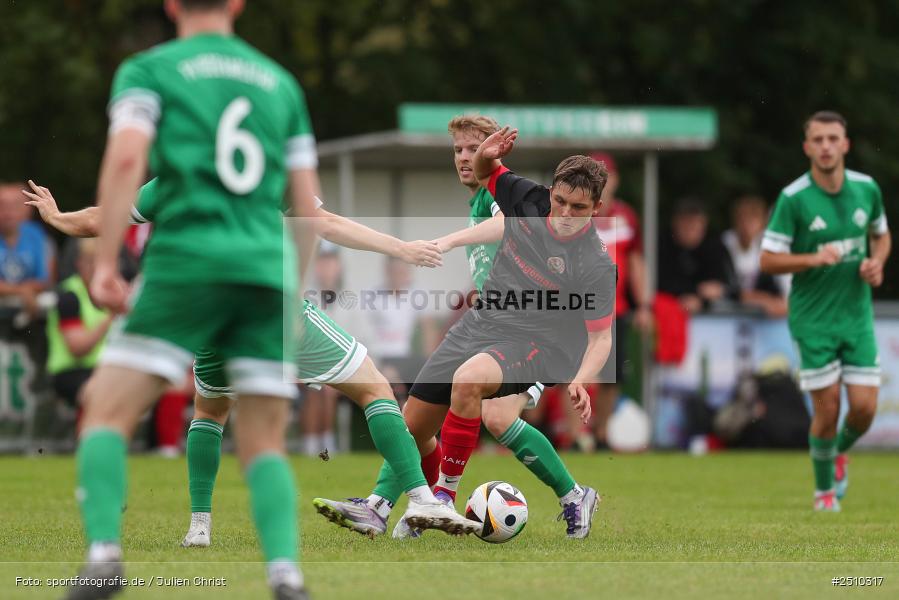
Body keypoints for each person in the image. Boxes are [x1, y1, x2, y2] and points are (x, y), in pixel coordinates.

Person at [61, 2, 475, 599]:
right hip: (262, 281)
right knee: (268, 436)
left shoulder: (149, 71)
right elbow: (311, 212)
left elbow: (125, 161)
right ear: (237, 4)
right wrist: (294, 291)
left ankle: (105, 555)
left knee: (108, 411)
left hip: (186, 272)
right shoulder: (279, 84)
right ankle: (287, 574)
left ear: (172, 5)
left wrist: (104, 265)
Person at [316, 127, 614, 540]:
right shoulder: (528, 197)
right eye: (558, 201)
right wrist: (486, 157)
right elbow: (489, 172)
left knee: (471, 383)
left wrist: (581, 378)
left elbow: (601, 338)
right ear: (550, 192)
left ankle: (442, 498)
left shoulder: (596, 264)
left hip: (539, 343)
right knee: (413, 422)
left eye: (577, 208)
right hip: (482, 322)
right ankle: (379, 508)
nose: (563, 214)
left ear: (597, 208)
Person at [760, 110, 890, 512]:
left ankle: (838, 452)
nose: (826, 146)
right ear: (807, 147)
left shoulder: (867, 189)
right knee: (829, 405)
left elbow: (881, 237)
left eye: (833, 138)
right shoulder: (794, 198)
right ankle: (824, 495)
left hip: (856, 316)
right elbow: (767, 260)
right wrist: (812, 259)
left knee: (866, 408)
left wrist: (877, 263)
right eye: (818, 140)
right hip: (813, 319)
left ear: (846, 144)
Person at [585, 152, 652, 450]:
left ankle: (601, 435)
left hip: (617, 309)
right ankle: (576, 437)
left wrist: (643, 306)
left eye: (606, 176)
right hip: (578, 308)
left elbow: (636, 262)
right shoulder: (575, 214)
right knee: (574, 374)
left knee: (613, 376)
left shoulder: (626, 217)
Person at [46, 239, 114, 413]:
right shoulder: (70, 296)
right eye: (90, 261)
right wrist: (111, 318)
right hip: (71, 371)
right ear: (79, 264)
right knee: (97, 391)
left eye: (100, 262)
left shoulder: (113, 293)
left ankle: (165, 441)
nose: (95, 267)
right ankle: (89, 439)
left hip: (105, 369)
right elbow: (78, 348)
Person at [657, 197, 737, 314]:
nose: (690, 232)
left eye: (695, 227)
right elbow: (658, 282)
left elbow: (724, 284)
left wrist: (702, 299)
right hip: (668, 309)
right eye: (686, 226)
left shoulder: (714, 247)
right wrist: (695, 291)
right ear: (675, 224)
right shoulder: (662, 245)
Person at [722, 195, 787, 317]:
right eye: (743, 219)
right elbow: (727, 287)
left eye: (752, 220)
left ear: (761, 224)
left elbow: (773, 286)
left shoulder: (764, 247)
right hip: (728, 312)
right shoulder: (725, 245)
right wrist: (760, 299)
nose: (746, 226)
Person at [0, 183, 50, 317]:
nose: (7, 212)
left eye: (14, 206)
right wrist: (21, 290)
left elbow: (44, 279)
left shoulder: (35, 234)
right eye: (2, 205)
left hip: (29, 313)